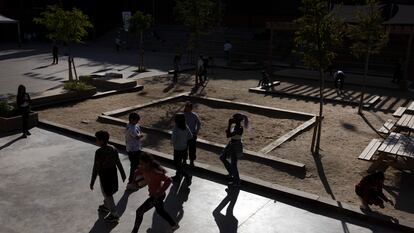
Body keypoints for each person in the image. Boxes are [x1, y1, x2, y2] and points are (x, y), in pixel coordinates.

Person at [131, 153, 180, 233]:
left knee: (139, 211)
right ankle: (174, 225)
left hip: (157, 196)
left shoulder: (156, 172)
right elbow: (137, 172)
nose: (140, 165)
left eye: (142, 164)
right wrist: (134, 180)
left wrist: (159, 192)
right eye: (140, 163)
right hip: (155, 195)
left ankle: (134, 231)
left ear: (148, 163)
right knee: (160, 211)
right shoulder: (143, 168)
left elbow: (169, 180)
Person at [90, 130, 126, 222]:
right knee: (110, 190)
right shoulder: (113, 148)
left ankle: (114, 214)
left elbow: (96, 167)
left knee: (107, 193)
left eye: (97, 139)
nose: (96, 141)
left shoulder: (99, 152)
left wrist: (92, 181)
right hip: (113, 172)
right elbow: (118, 161)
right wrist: (122, 173)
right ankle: (106, 206)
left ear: (101, 141)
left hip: (104, 175)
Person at [220, 113, 248, 186]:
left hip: (235, 146)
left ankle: (237, 181)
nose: (232, 119)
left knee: (233, 164)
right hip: (231, 144)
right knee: (222, 157)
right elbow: (229, 134)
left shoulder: (239, 128)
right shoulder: (236, 126)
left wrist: (229, 124)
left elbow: (228, 135)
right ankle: (231, 173)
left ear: (237, 120)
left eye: (234, 118)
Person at [171, 113, 192, 184]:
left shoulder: (176, 128)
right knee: (179, 163)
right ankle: (177, 176)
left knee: (176, 163)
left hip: (177, 149)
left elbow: (173, 139)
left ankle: (186, 175)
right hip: (184, 148)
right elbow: (190, 136)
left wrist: (173, 143)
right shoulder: (186, 126)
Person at [125, 112, 144, 190]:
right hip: (133, 150)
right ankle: (130, 182)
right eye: (136, 120)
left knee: (136, 165)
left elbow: (138, 130)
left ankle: (135, 180)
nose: (137, 122)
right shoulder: (131, 128)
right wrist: (141, 135)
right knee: (134, 166)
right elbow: (137, 137)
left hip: (136, 148)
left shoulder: (134, 125)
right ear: (132, 120)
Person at [183, 102, 201, 166]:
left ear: (191, 108)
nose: (188, 109)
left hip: (192, 134)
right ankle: (184, 160)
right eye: (187, 107)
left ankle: (191, 161)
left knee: (192, 149)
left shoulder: (194, 115)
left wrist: (196, 131)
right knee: (184, 148)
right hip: (184, 134)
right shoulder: (183, 115)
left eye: (189, 108)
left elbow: (199, 123)